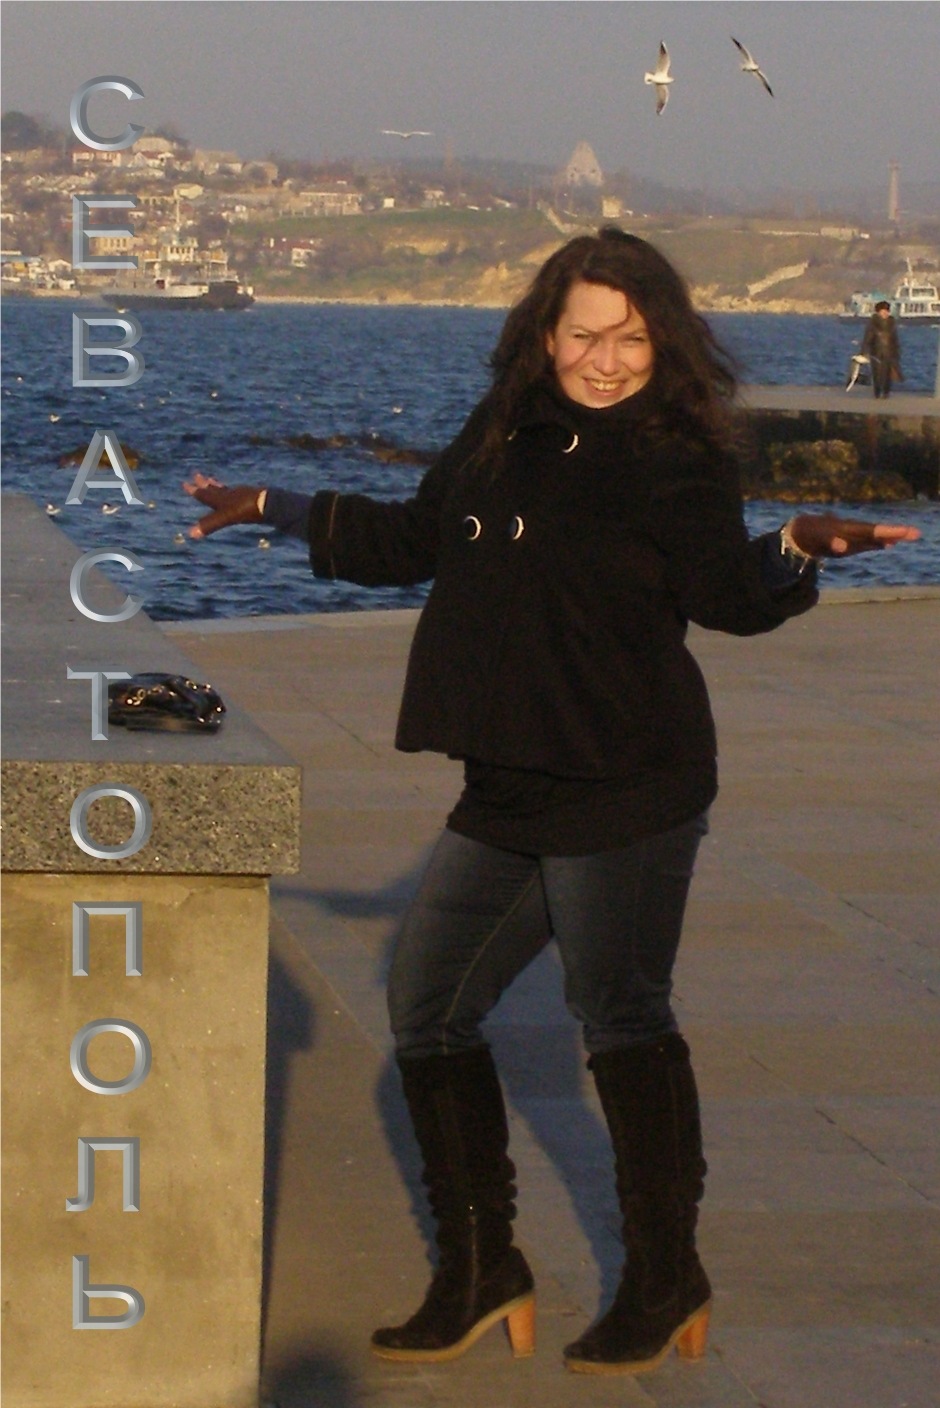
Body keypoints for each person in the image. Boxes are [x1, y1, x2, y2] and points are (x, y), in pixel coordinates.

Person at [183, 228, 919, 1377]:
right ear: (545, 333)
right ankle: (481, 1268)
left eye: (630, 338)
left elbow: (724, 593)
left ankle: (663, 1277)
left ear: (662, 341)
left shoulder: (677, 455)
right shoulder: (503, 428)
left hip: (628, 778)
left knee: (620, 1014)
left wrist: (790, 547)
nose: (606, 359)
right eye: (584, 335)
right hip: (510, 778)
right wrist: (274, 503)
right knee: (427, 1004)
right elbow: (411, 538)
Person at [860, 299, 902, 399]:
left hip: (889, 352)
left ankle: (886, 392)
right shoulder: (873, 324)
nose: (885, 313)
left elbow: (895, 339)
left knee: (887, 374)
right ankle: (877, 392)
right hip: (876, 352)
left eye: (887, 311)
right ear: (878, 312)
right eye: (883, 311)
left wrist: (897, 352)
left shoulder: (891, 324)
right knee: (877, 374)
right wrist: (863, 352)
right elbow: (867, 339)